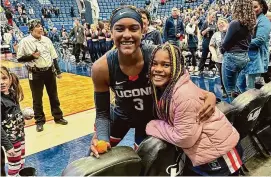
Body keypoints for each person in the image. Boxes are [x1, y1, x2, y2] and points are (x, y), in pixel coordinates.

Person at [89, 6, 217, 158]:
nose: (127, 35)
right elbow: (102, 113)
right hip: (120, 117)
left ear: (142, 30)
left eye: (133, 28)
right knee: (94, 156)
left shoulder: (158, 56)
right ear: (111, 31)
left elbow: (183, 86)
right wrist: (102, 138)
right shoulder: (101, 68)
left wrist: (208, 95)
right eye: (120, 29)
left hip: (151, 120)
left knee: (148, 163)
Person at [146, 44, 242, 176]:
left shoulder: (182, 94)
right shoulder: (173, 86)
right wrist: (210, 95)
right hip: (202, 154)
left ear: (177, 67)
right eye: (154, 64)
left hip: (220, 154)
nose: (157, 69)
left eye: (166, 65)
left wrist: (154, 126)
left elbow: (184, 138)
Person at [16, 19, 68, 132]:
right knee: (37, 98)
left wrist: (58, 71)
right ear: (31, 29)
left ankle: (58, 117)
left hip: (49, 71)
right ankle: (39, 121)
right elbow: (19, 58)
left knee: (54, 96)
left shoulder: (47, 40)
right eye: (38, 26)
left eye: (41, 26)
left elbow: (54, 56)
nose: (41, 28)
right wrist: (32, 57)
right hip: (35, 73)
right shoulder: (25, 41)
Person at [221, 0, 256, 102]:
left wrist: (222, 49)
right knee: (236, 88)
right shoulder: (251, 23)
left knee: (230, 90)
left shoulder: (235, 23)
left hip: (232, 57)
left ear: (237, 8)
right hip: (244, 57)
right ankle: (244, 107)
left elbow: (225, 43)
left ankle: (237, 115)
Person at [1, 66, 30, 176]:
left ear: (10, 79)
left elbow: (13, 113)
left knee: (21, 162)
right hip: (11, 141)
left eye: (4, 78)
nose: (1, 82)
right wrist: (8, 146)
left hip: (20, 136)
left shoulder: (12, 94)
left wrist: (23, 115)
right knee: (14, 167)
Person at [239, 0, 271, 90]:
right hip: (246, 58)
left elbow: (259, 40)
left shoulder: (264, 21)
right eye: (250, 7)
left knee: (250, 90)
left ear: (262, 7)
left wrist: (240, 44)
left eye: (255, 7)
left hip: (255, 60)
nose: (252, 10)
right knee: (240, 85)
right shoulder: (252, 20)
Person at [209, 17, 229, 98]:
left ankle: (232, 89)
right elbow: (211, 45)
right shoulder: (215, 34)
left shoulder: (231, 32)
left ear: (227, 23)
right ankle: (224, 90)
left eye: (222, 22)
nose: (220, 24)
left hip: (230, 58)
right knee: (222, 76)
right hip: (220, 59)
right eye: (219, 23)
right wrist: (213, 54)